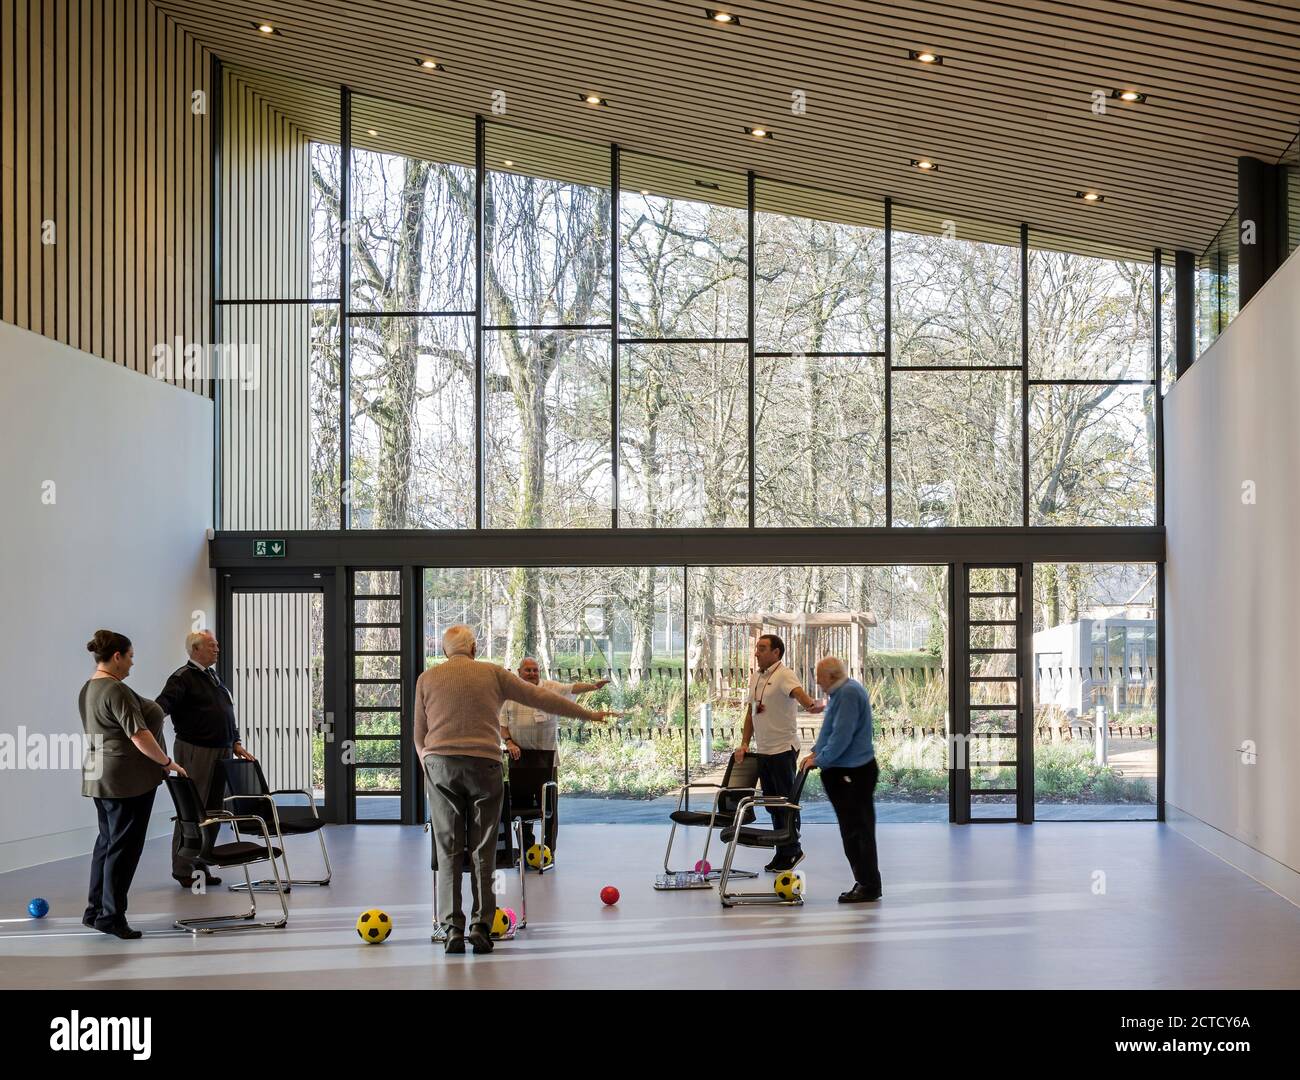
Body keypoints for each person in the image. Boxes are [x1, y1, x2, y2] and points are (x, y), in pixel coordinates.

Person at [416, 625, 618, 955]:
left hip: (441, 767)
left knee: (448, 848)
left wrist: (430, 766)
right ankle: (481, 927)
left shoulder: (427, 679)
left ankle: (452, 929)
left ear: (444, 651)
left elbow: (419, 735)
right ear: (474, 647)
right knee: (485, 848)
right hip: (484, 766)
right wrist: (588, 715)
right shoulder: (493, 673)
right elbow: (544, 698)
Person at [80, 630, 187, 939]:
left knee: (108, 843)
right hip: (127, 780)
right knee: (123, 849)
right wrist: (167, 763)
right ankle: (111, 916)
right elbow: (139, 736)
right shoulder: (116, 691)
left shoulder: (89, 688)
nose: (131, 664)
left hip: (103, 777)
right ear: (117, 656)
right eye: (130, 657)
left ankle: (96, 910)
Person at [155, 630, 256, 888]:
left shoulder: (213, 677)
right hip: (195, 751)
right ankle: (183, 868)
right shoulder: (182, 678)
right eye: (212, 645)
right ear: (196, 649)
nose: (217, 649)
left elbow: (226, 713)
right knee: (193, 810)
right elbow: (159, 709)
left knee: (214, 811)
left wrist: (235, 742)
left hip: (222, 750)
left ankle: (202, 862)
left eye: (217, 645)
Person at [499, 657, 610, 855]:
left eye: (535, 670)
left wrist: (593, 687)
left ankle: (549, 852)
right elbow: (503, 724)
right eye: (528, 670)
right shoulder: (510, 694)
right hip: (520, 759)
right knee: (522, 809)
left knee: (549, 809)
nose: (532, 673)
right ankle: (527, 850)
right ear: (519, 672)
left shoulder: (550, 687)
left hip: (547, 760)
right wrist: (509, 742)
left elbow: (572, 688)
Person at [734, 633, 824, 872]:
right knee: (772, 804)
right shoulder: (756, 677)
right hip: (764, 750)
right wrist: (745, 743)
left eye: (762, 648)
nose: (756, 652)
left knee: (785, 803)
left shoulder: (785, 674)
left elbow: (799, 695)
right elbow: (751, 713)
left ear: (776, 652)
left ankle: (793, 849)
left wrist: (811, 704)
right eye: (756, 648)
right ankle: (782, 851)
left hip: (783, 749)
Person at [800, 656, 881, 903]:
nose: (817, 682)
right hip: (846, 770)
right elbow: (829, 730)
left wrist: (821, 760)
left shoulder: (847, 694)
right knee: (851, 831)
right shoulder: (840, 693)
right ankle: (864, 882)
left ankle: (868, 885)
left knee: (858, 831)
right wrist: (816, 752)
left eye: (819, 676)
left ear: (831, 676)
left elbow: (842, 736)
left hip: (853, 773)